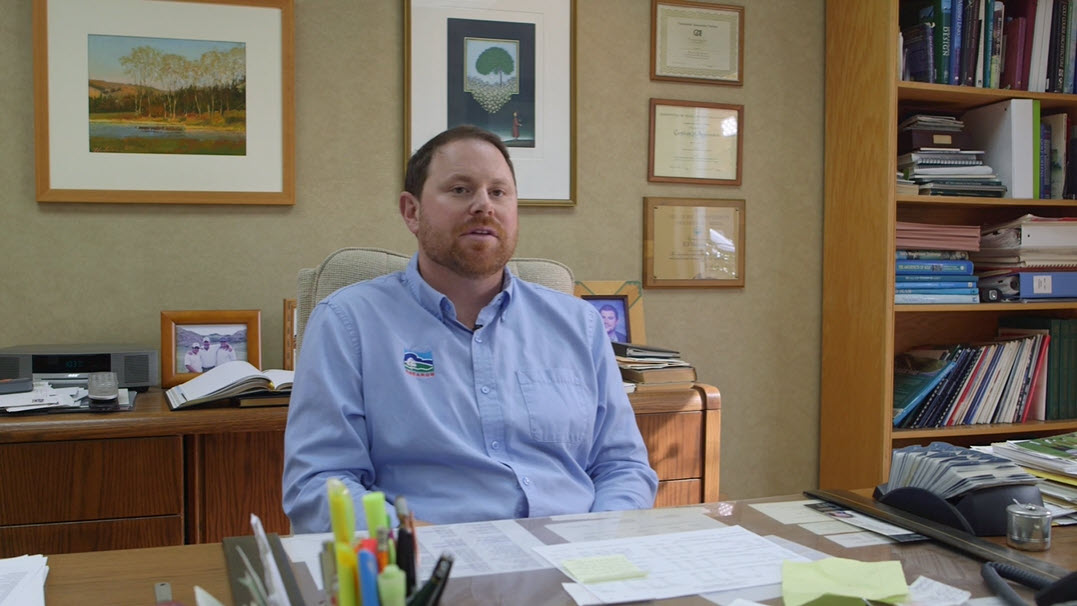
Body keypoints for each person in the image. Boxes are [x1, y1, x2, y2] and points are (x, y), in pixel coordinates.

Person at [283, 125, 657, 533]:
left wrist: (601, 538)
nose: (484, 205)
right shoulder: (347, 323)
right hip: (433, 569)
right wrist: (415, 544)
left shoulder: (578, 324)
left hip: (578, 563)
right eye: (460, 189)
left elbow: (624, 466)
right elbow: (319, 482)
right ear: (412, 211)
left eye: (499, 192)